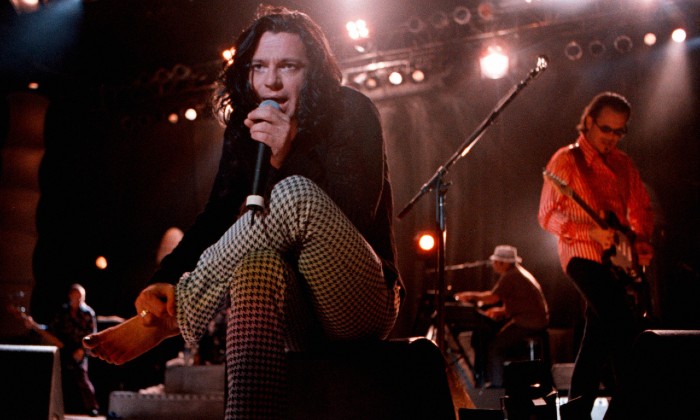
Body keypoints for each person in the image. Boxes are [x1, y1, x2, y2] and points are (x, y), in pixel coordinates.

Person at [83, 5, 403, 419]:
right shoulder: (243, 128)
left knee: (294, 194)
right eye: (259, 67)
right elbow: (214, 219)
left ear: (315, 73)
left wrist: (289, 155)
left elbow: (356, 216)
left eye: (289, 66)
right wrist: (162, 280)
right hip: (300, 317)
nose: (271, 80)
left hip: (359, 302)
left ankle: (174, 319)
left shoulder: (352, 112)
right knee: (255, 268)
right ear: (247, 74)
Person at [538, 92, 654, 419]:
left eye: (620, 132)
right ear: (589, 122)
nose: (612, 138)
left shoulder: (622, 163)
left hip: (617, 261)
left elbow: (640, 208)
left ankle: (576, 409)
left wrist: (640, 241)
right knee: (620, 323)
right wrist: (588, 232)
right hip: (581, 255)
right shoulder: (566, 160)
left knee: (598, 335)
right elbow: (546, 216)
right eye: (606, 129)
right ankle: (630, 406)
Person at [455, 245, 549, 388]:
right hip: (533, 320)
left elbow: (492, 297)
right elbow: (521, 301)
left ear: (503, 263)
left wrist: (469, 296)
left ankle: (496, 385)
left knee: (495, 347)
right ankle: (495, 380)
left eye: (495, 262)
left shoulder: (511, 275)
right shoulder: (518, 273)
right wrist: (500, 311)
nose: (493, 265)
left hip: (528, 323)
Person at [49, 283, 100, 416]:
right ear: (70, 296)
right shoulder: (63, 311)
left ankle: (92, 407)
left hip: (80, 349)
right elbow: (54, 329)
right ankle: (57, 408)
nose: (78, 299)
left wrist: (83, 350)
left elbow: (92, 334)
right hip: (64, 348)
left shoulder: (88, 313)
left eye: (81, 296)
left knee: (83, 378)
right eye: (75, 295)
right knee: (59, 379)